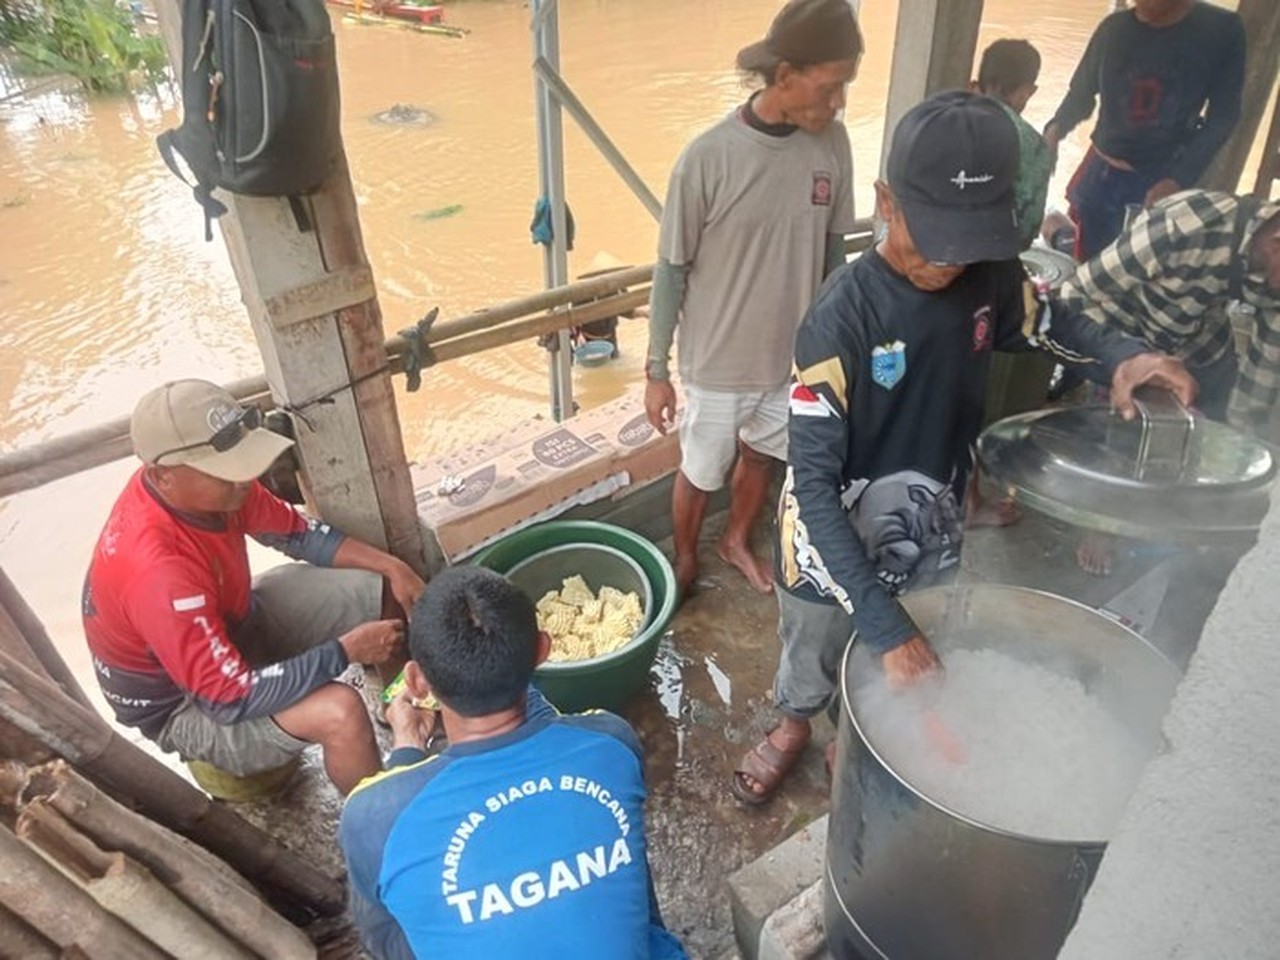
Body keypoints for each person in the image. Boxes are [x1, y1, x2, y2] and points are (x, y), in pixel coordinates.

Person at [730, 91, 1198, 804]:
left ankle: (853, 737)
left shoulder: (989, 276)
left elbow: (1055, 321)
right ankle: (795, 722)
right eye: (936, 234)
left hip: (929, 523)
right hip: (829, 539)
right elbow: (816, 490)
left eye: (970, 237)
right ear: (887, 202)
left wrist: (1122, 357)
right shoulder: (838, 323)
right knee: (816, 641)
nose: (951, 261)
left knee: (912, 649)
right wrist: (886, 628)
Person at [82, 379, 426, 796]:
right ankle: (383, 822)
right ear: (162, 476)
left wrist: (393, 567)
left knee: (380, 588)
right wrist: (344, 652)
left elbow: (300, 535)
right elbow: (227, 698)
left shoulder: (218, 489)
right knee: (340, 710)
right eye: (226, 472)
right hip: (186, 704)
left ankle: (403, 713)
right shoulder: (159, 572)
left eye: (244, 462)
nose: (244, 480)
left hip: (230, 622)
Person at [340, 566, 686, 960]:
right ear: (543, 650)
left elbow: (386, 941)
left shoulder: (371, 815)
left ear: (417, 682)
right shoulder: (609, 742)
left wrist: (406, 749)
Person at [644, 0, 861, 598]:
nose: (838, 102)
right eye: (831, 86)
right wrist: (655, 370)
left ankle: (734, 540)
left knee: (764, 456)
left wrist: (835, 347)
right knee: (700, 472)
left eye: (845, 87)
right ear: (785, 75)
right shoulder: (707, 158)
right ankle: (685, 561)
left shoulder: (833, 146)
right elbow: (670, 270)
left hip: (790, 358)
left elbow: (833, 257)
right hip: (717, 365)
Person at [1056, 189, 1280, 577]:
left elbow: (1264, 367)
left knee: (1206, 440)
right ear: (1276, 243)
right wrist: (1115, 359)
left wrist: (1243, 455)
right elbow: (1078, 292)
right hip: (1129, 338)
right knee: (1121, 440)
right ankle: (1103, 526)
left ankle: (1182, 521)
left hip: (1201, 347)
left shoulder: (1273, 274)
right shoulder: (1181, 224)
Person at [1043, 0, 1245, 261]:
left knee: (1146, 274)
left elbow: (1223, 117)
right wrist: (1055, 130)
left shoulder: (1221, 31)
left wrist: (1178, 178)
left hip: (1162, 183)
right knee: (1091, 270)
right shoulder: (1113, 30)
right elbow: (1081, 94)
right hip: (1102, 176)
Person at [972, 39, 1051, 251]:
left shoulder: (935, 118)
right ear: (1028, 91)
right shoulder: (1035, 147)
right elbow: (1026, 232)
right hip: (988, 263)